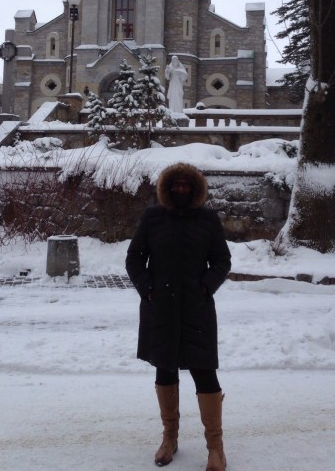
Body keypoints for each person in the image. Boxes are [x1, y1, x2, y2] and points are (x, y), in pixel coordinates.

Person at [126, 163, 232, 471]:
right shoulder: (153, 218)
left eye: (187, 185)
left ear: (195, 189)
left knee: (205, 373)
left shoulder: (208, 219)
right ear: (167, 189)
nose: (181, 189)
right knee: (165, 371)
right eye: (176, 185)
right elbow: (134, 258)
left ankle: (215, 448)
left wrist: (206, 287)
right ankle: (169, 438)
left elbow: (222, 260)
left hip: (197, 309)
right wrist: (148, 289)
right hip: (160, 308)